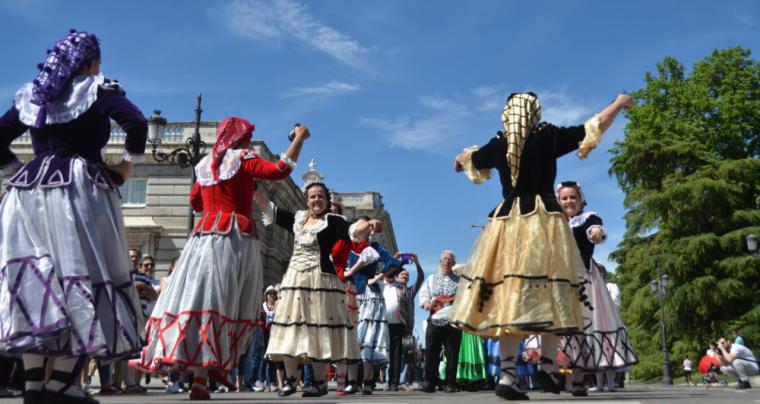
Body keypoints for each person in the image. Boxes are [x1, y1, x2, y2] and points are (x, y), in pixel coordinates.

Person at [450, 92, 634, 400]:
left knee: (510, 299)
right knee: (555, 293)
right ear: (534, 113)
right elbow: (593, 126)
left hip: (507, 225)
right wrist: (618, 103)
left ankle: (508, 377)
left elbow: (466, 162)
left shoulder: (499, 143)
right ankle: (547, 369)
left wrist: (461, 159)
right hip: (545, 223)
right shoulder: (546, 136)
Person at [0, 29, 147, 404]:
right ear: (90, 62)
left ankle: (34, 384)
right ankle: (63, 382)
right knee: (86, 276)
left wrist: (15, 171)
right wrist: (125, 170)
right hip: (77, 189)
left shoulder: (35, 96)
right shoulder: (96, 89)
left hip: (28, 193)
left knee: (38, 284)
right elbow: (137, 124)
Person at [132, 118, 309, 400]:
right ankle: (212, 371)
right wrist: (299, 138)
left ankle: (199, 375)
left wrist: (218, 195)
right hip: (234, 236)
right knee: (229, 302)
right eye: (248, 137)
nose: (250, 143)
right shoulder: (242, 158)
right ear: (241, 139)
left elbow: (196, 203)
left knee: (200, 301)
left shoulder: (204, 164)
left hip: (203, 239)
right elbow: (279, 170)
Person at [264, 183, 379, 397]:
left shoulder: (333, 221)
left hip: (321, 280)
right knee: (290, 326)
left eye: (320, 196)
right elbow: (272, 211)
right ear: (306, 200)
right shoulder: (298, 220)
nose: (316, 200)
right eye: (312, 197)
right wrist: (252, 189)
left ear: (326, 200)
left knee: (319, 328)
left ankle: (318, 382)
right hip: (295, 279)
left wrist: (369, 223)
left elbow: (353, 229)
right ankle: (290, 380)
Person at [556, 181, 638, 395]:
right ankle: (557, 375)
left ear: (581, 199)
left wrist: (597, 233)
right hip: (559, 279)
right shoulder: (554, 222)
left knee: (582, 329)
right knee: (561, 328)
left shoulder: (588, 218)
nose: (568, 201)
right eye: (564, 198)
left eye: (573, 197)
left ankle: (576, 381)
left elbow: (595, 229)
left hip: (583, 279)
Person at [418, 250, 462, 393]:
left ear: (453, 263)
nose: (447, 261)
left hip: (452, 319)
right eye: (444, 259)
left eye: (450, 259)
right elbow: (424, 294)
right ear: (440, 261)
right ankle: (430, 381)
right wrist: (426, 303)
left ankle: (450, 382)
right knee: (431, 351)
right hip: (435, 318)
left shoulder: (460, 281)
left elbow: (464, 297)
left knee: (452, 352)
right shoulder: (431, 278)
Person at [383, 255, 425, 391]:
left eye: (407, 275)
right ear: (396, 276)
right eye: (402, 274)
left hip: (405, 326)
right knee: (390, 354)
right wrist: (395, 259)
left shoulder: (410, 291)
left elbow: (420, 278)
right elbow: (387, 272)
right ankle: (390, 382)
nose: (405, 276)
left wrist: (417, 262)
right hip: (388, 325)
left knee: (405, 354)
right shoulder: (389, 286)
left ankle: (399, 382)